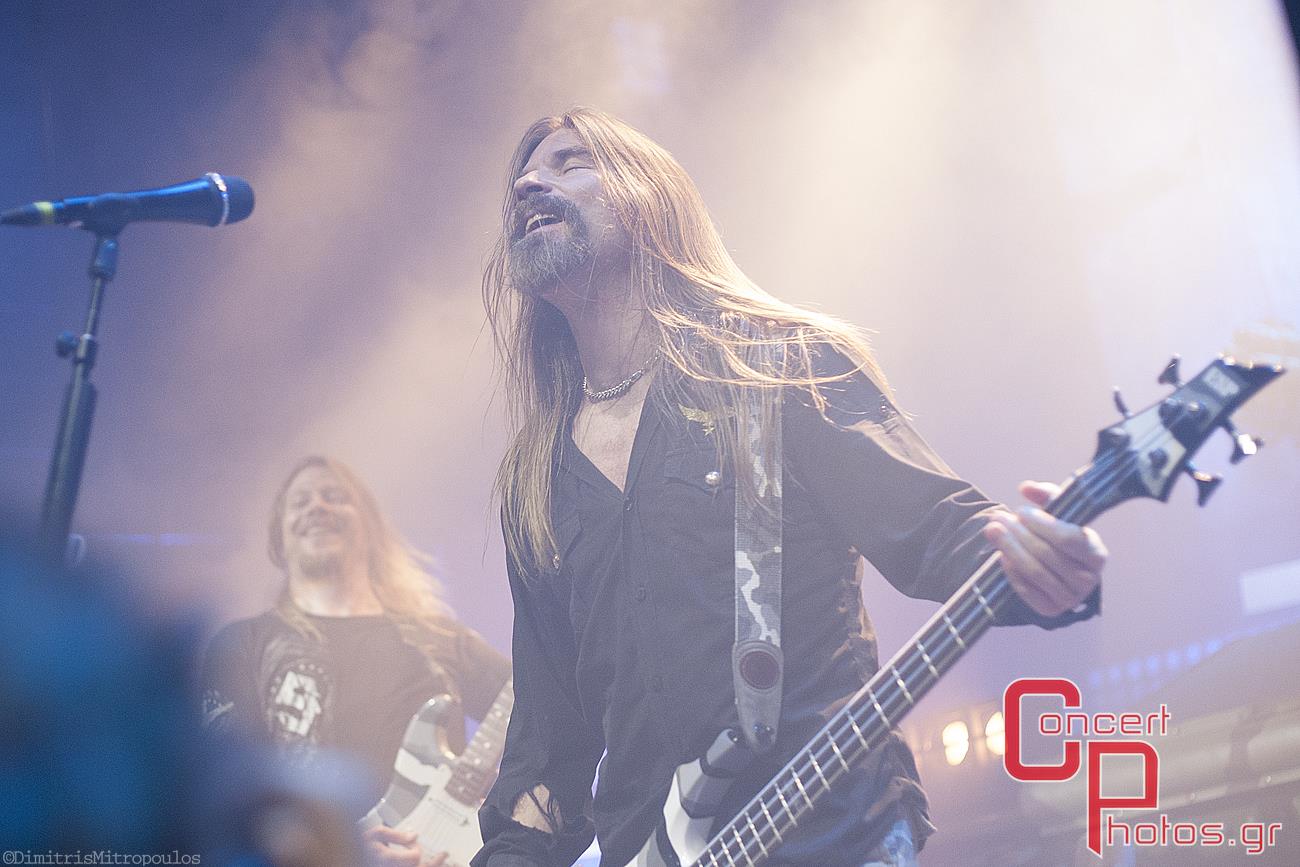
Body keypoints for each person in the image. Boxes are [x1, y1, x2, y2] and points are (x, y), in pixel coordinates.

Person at [472, 108, 1107, 867]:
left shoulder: (778, 367)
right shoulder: (535, 480)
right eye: (522, 178)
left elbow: (934, 528)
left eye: (570, 162)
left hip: (828, 830)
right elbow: (550, 744)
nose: (529, 183)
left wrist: (1045, 559)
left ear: (652, 199)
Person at [203, 455, 512, 867]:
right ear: (278, 538)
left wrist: (491, 800)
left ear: (371, 526)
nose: (317, 507)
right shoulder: (241, 645)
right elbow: (220, 780)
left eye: (334, 497)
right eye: (300, 502)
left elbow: (538, 705)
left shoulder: (440, 638)